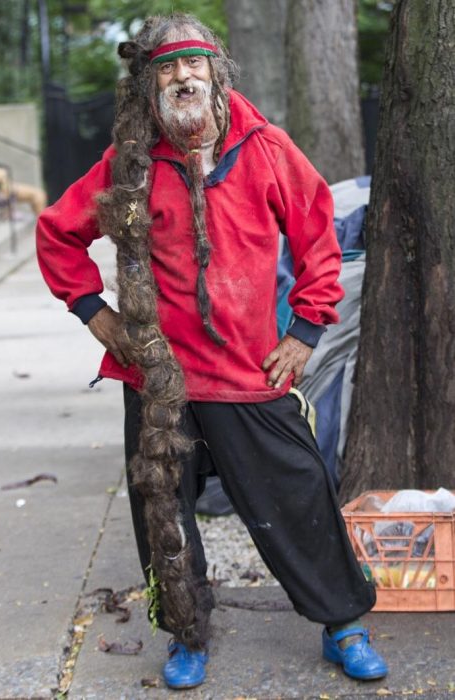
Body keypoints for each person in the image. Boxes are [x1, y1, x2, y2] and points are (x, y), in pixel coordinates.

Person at [36, 13, 388, 691]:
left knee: (299, 494)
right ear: (150, 83)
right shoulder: (129, 164)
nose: (182, 76)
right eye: (167, 67)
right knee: (161, 511)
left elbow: (317, 237)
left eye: (193, 64)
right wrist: (92, 311)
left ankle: (344, 623)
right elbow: (58, 233)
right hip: (157, 378)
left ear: (217, 73)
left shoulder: (265, 147)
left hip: (247, 371)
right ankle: (186, 633)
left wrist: (306, 330)